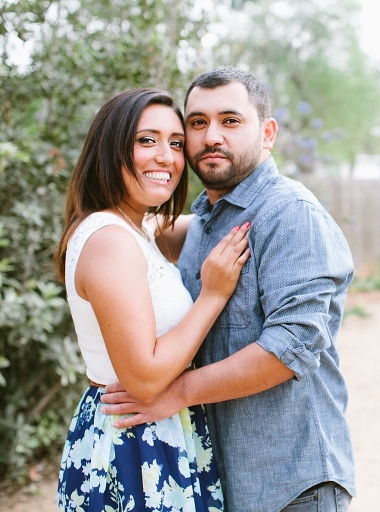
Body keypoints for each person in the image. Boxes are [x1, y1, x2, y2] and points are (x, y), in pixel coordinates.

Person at [101, 68, 356, 512]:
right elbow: (130, 231)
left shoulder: (289, 214)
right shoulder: (204, 222)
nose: (211, 136)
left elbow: (291, 347)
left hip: (290, 484)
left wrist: (177, 391)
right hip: (219, 481)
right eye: (197, 123)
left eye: (230, 121)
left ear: (267, 132)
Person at [54, 88, 251, 512]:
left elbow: (200, 224)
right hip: (133, 442)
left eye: (176, 143)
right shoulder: (110, 241)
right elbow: (143, 378)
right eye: (147, 140)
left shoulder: (137, 227)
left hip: (159, 432)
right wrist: (212, 296)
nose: (167, 157)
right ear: (111, 149)